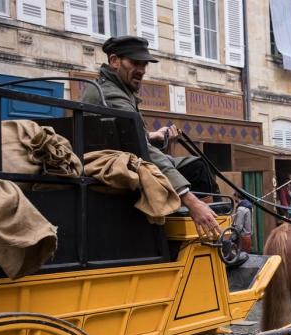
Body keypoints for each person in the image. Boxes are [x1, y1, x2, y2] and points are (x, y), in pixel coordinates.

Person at [81, 36, 220, 239]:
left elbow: (126, 137)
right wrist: (192, 201)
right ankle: (207, 231)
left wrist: (152, 136)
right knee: (199, 170)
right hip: (123, 172)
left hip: (122, 164)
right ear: (114, 61)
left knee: (197, 166)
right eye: (135, 63)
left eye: (144, 64)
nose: (142, 70)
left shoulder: (112, 89)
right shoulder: (112, 95)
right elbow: (141, 149)